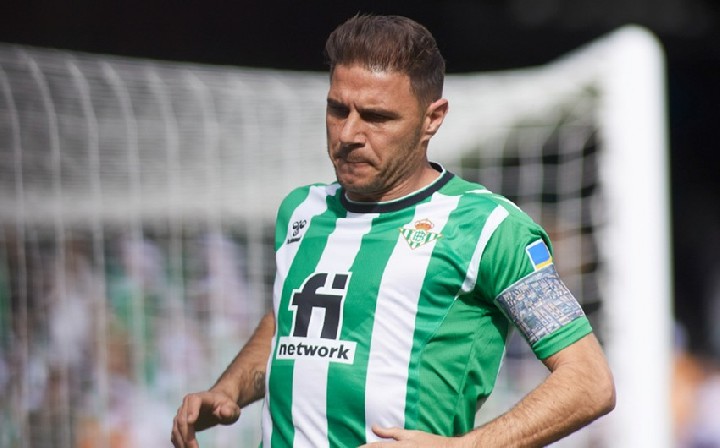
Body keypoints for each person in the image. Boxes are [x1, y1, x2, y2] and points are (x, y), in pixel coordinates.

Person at [171, 14, 615, 448]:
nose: (349, 133)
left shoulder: (491, 229)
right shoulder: (302, 209)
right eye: (337, 109)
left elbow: (589, 382)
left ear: (432, 118)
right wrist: (228, 390)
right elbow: (289, 321)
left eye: (377, 117)